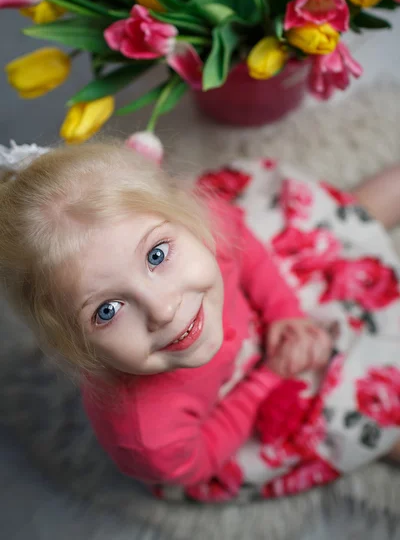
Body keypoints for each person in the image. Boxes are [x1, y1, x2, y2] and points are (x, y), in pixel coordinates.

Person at [1, 139, 400, 503]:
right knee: (364, 411)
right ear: (71, 343)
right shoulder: (146, 433)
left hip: (252, 311)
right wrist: (267, 380)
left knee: (335, 224)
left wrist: (284, 312)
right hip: (235, 406)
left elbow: (246, 250)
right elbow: (200, 459)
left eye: (156, 255)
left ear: (185, 219)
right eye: (107, 310)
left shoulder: (205, 227)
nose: (163, 310)